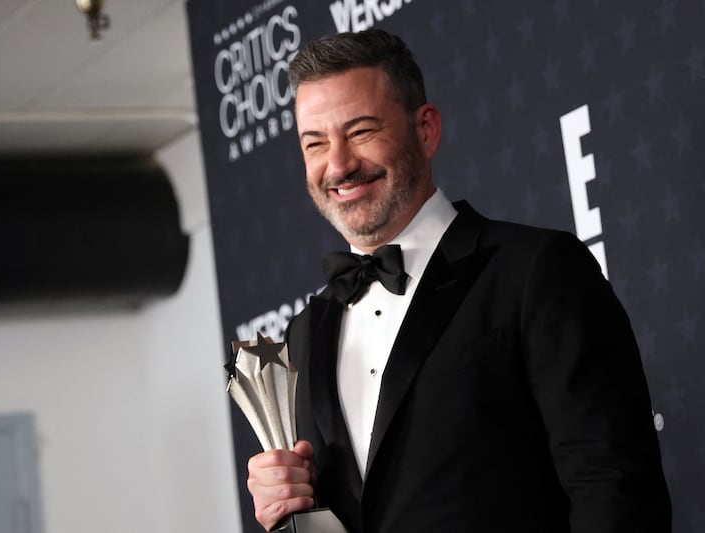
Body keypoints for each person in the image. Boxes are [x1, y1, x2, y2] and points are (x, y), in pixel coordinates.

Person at [246, 28, 671, 533]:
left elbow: (614, 490)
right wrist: (285, 510)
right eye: (315, 143)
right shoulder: (306, 331)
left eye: (360, 132)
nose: (337, 164)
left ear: (425, 130)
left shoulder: (534, 271)